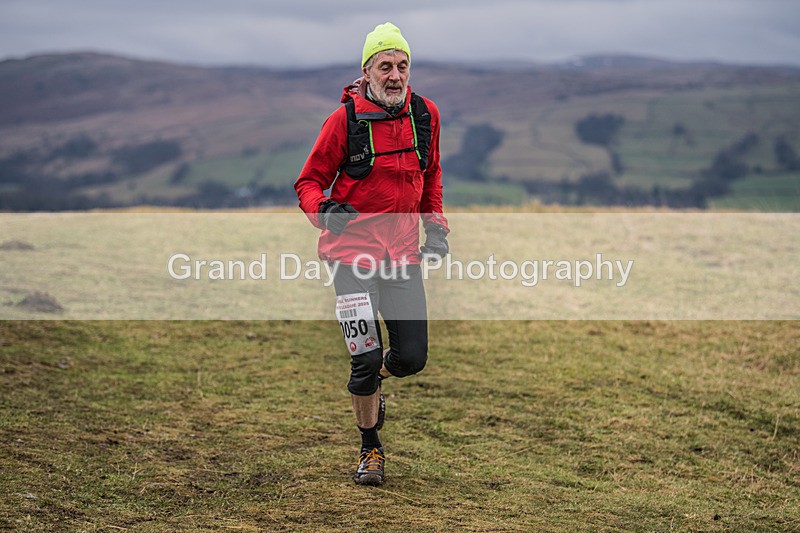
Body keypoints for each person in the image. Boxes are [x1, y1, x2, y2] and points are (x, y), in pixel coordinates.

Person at [294, 22, 449, 486]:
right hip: (351, 258)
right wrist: (323, 211)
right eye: (386, 66)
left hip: (402, 256)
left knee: (410, 359)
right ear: (367, 71)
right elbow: (307, 182)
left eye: (403, 65)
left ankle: (373, 380)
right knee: (364, 357)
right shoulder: (343, 121)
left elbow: (432, 173)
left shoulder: (426, 115)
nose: (396, 75)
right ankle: (370, 449)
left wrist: (435, 227)